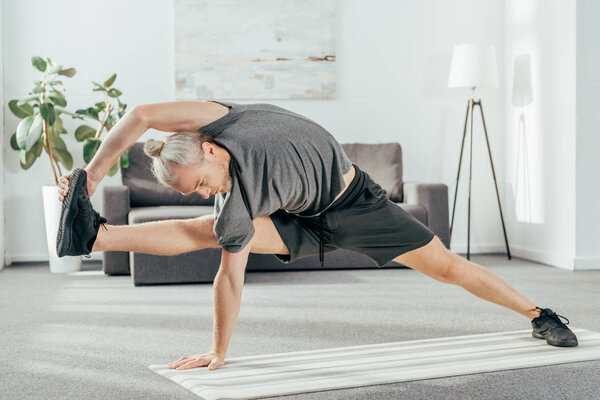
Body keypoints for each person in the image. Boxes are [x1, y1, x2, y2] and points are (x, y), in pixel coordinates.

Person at [56, 100, 578, 371]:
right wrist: (218, 351)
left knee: (449, 267)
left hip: (356, 205)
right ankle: (94, 236)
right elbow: (229, 279)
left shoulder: (226, 121)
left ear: (209, 150)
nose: (200, 193)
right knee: (204, 230)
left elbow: (144, 115)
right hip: (298, 217)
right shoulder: (234, 202)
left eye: (197, 184)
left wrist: (93, 174)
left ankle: (541, 316)